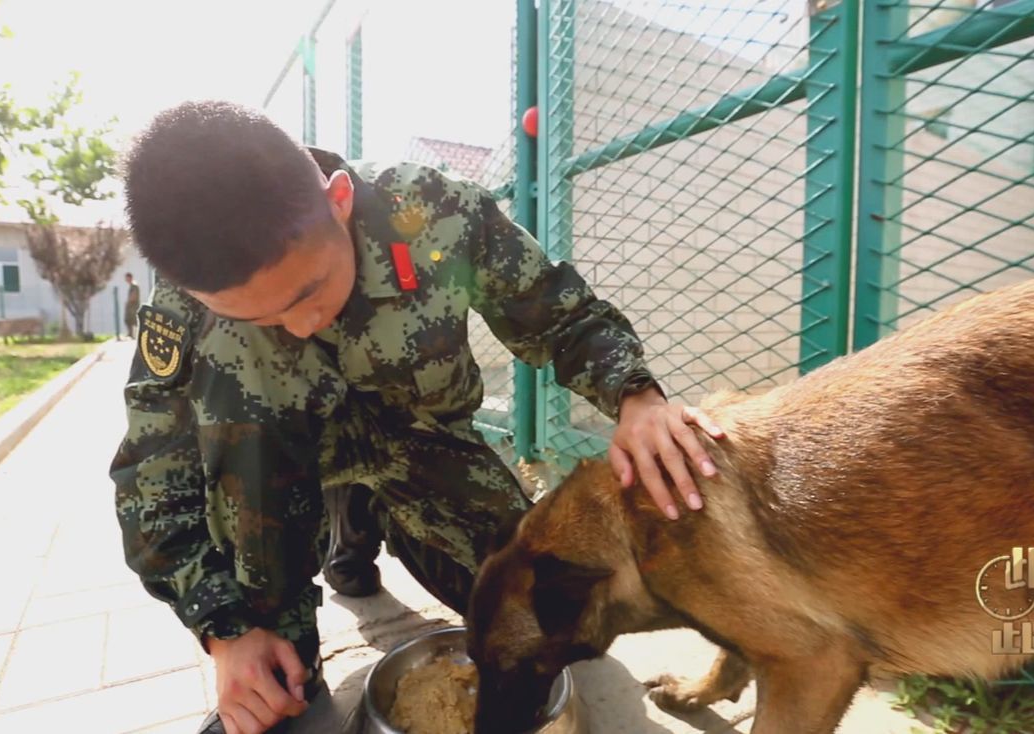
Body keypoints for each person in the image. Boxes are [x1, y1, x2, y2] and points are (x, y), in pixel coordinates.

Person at [108, 101, 724, 734]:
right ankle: (302, 594)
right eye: (262, 317)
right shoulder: (187, 296)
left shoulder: (433, 211)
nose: (300, 324)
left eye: (309, 291)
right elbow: (153, 471)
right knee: (269, 629)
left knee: (522, 602)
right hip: (282, 470)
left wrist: (636, 397)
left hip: (421, 443)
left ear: (339, 199)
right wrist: (225, 630)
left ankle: (365, 512)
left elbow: (560, 316)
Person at [123, 272, 141, 338]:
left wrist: (128, 302)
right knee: (129, 320)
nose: (126, 280)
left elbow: (134, 296)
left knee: (134, 320)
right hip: (131, 306)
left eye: (127, 278)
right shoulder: (132, 285)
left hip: (133, 307)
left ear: (130, 277)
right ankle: (131, 334)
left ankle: (135, 334)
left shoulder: (134, 285)